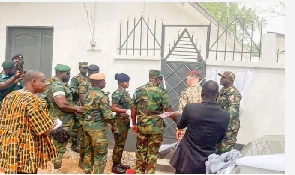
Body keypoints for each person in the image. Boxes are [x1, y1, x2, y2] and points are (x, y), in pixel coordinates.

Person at [0, 70, 58, 174]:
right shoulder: (34, 101)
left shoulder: (10, 96)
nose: (45, 84)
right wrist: (56, 124)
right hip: (25, 151)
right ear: (34, 82)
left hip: (8, 147)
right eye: (43, 81)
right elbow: (44, 131)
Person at [169, 80, 230, 174]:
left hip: (186, 161)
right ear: (217, 95)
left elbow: (180, 125)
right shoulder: (225, 115)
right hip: (207, 164)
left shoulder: (191, 108)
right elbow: (219, 140)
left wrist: (176, 115)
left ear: (202, 93)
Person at [131, 69, 173, 174]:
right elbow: (168, 110)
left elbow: (133, 110)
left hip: (141, 126)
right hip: (156, 128)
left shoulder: (138, 90)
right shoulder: (162, 92)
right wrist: (178, 121)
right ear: (157, 79)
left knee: (141, 151)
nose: (160, 82)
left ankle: (139, 172)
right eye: (160, 80)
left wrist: (134, 124)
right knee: (152, 153)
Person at [45, 64, 85, 173]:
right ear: (60, 73)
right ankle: (56, 170)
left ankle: (55, 167)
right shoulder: (58, 86)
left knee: (58, 145)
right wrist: (76, 108)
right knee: (59, 146)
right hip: (61, 122)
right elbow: (62, 104)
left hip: (62, 120)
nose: (69, 75)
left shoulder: (61, 84)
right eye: (67, 74)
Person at [82, 72, 118, 174]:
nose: (105, 83)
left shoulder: (87, 94)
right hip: (98, 129)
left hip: (87, 127)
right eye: (103, 81)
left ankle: (87, 171)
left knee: (88, 151)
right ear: (99, 83)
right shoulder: (102, 96)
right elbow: (107, 115)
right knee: (100, 154)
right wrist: (114, 124)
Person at [77, 64, 100, 169]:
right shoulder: (84, 84)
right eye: (94, 72)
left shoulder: (97, 84)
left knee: (93, 141)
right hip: (86, 116)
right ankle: (82, 161)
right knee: (84, 141)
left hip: (95, 117)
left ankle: (91, 160)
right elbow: (83, 100)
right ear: (90, 73)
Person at [216, 71, 242, 154]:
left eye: (224, 77)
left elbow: (233, 111)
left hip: (229, 127)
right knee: (219, 150)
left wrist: (221, 121)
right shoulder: (222, 91)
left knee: (225, 152)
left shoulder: (233, 93)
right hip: (221, 125)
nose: (221, 79)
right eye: (221, 77)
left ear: (230, 80)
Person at [111, 73, 132, 174]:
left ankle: (118, 163)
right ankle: (115, 166)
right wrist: (125, 111)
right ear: (120, 83)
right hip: (119, 123)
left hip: (124, 122)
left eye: (128, 82)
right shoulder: (117, 93)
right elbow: (113, 108)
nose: (127, 84)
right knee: (119, 144)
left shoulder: (125, 93)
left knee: (121, 144)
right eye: (125, 82)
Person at [176, 70, 202, 142]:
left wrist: (179, 129)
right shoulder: (205, 92)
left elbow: (182, 113)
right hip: (201, 129)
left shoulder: (186, 93)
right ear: (198, 79)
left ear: (189, 79)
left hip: (188, 130)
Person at [70, 62, 89, 152]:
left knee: (83, 125)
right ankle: (74, 143)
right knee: (77, 124)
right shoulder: (75, 79)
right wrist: (81, 91)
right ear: (79, 68)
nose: (85, 70)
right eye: (83, 68)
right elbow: (72, 91)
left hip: (86, 104)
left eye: (86, 68)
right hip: (77, 103)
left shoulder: (88, 78)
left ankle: (83, 144)